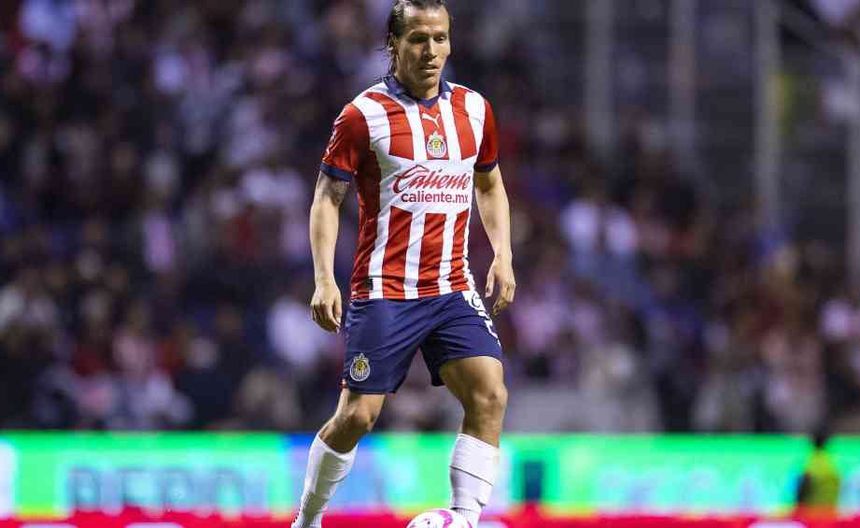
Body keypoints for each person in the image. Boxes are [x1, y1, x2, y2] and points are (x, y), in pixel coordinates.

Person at [292, 1, 516, 527]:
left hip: (451, 286)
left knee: (490, 393)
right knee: (358, 416)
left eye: (440, 38)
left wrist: (503, 254)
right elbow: (327, 197)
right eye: (418, 39)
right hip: (386, 289)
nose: (431, 50)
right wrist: (324, 278)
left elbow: (489, 183)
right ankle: (307, 520)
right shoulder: (363, 115)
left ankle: (463, 519)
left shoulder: (475, 110)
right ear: (393, 44)